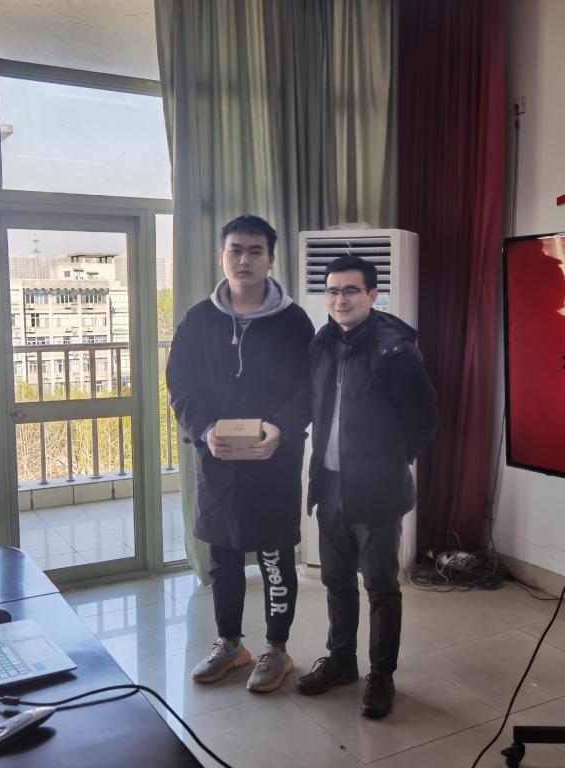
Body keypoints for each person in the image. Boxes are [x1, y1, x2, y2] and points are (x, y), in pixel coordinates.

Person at [166, 214, 314, 693]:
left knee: (274, 557)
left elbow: (309, 387)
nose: (244, 259)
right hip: (218, 459)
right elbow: (180, 386)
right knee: (223, 556)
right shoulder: (198, 320)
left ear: (270, 259)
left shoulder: (294, 322)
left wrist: (281, 427)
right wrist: (204, 428)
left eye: (255, 251)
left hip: (275, 460)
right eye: (235, 250)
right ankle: (230, 643)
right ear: (221, 257)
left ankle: (276, 648)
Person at [297, 254, 439, 718]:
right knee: (336, 582)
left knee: (380, 586)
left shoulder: (394, 348)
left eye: (350, 290)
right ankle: (341, 661)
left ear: (373, 295)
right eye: (332, 291)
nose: (340, 299)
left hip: (377, 490)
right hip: (330, 484)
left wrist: (391, 460)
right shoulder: (322, 344)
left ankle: (382, 674)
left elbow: (424, 418)